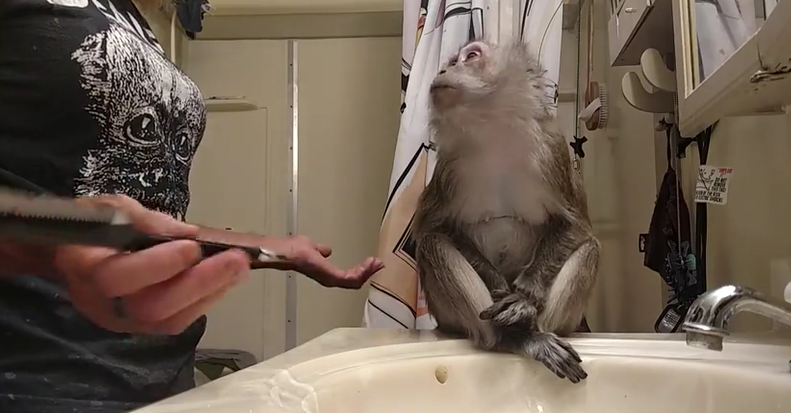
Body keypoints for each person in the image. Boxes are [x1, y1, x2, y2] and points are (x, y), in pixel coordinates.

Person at [0, 1, 384, 412]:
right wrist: (55, 235)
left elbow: (146, 224)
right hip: (35, 376)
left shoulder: (134, 20)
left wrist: (275, 249)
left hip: (164, 376)